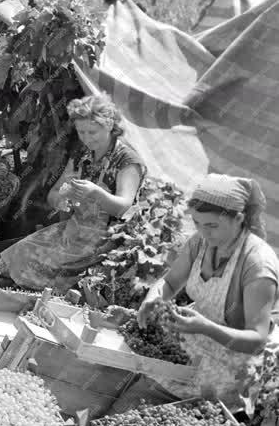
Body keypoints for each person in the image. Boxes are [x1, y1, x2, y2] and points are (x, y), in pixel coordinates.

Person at [118, 173, 279, 411]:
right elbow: (170, 283)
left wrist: (205, 327)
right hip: (191, 348)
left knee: (160, 416)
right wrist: (153, 298)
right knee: (130, 397)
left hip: (232, 367)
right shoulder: (201, 243)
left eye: (212, 225)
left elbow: (256, 340)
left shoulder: (257, 265)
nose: (203, 233)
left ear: (239, 219)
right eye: (197, 223)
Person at [0, 93, 146, 292]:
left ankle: (33, 302)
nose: (86, 139)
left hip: (107, 240)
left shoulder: (127, 160)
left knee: (53, 272)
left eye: (92, 132)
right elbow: (54, 192)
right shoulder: (83, 153)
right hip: (75, 229)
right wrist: (61, 200)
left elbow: (123, 207)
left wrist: (95, 193)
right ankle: (0, 295)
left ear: (109, 125)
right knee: (17, 255)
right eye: (81, 132)